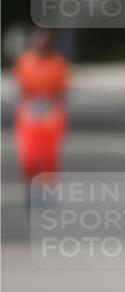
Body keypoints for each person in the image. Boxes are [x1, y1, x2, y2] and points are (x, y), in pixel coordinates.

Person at [13, 28, 70, 200]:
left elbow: (63, 89)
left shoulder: (58, 62)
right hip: (30, 112)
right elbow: (20, 88)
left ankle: (47, 191)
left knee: (48, 155)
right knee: (29, 155)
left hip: (51, 114)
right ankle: (30, 186)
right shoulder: (25, 61)